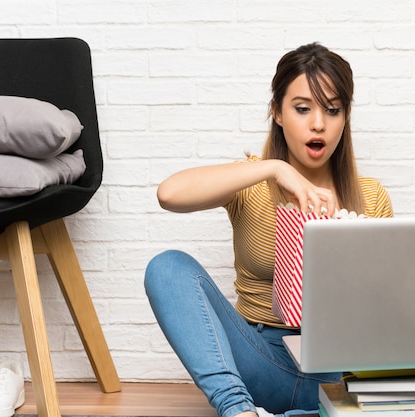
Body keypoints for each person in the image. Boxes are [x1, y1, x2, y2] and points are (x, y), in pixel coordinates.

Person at [144, 43, 394, 417]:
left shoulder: (371, 197)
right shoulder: (252, 181)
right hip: (261, 361)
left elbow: (390, 308)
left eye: (333, 109)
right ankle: (240, 411)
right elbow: (169, 194)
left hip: (336, 372)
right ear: (276, 112)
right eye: (302, 108)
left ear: (346, 117)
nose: (318, 124)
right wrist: (274, 169)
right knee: (167, 267)